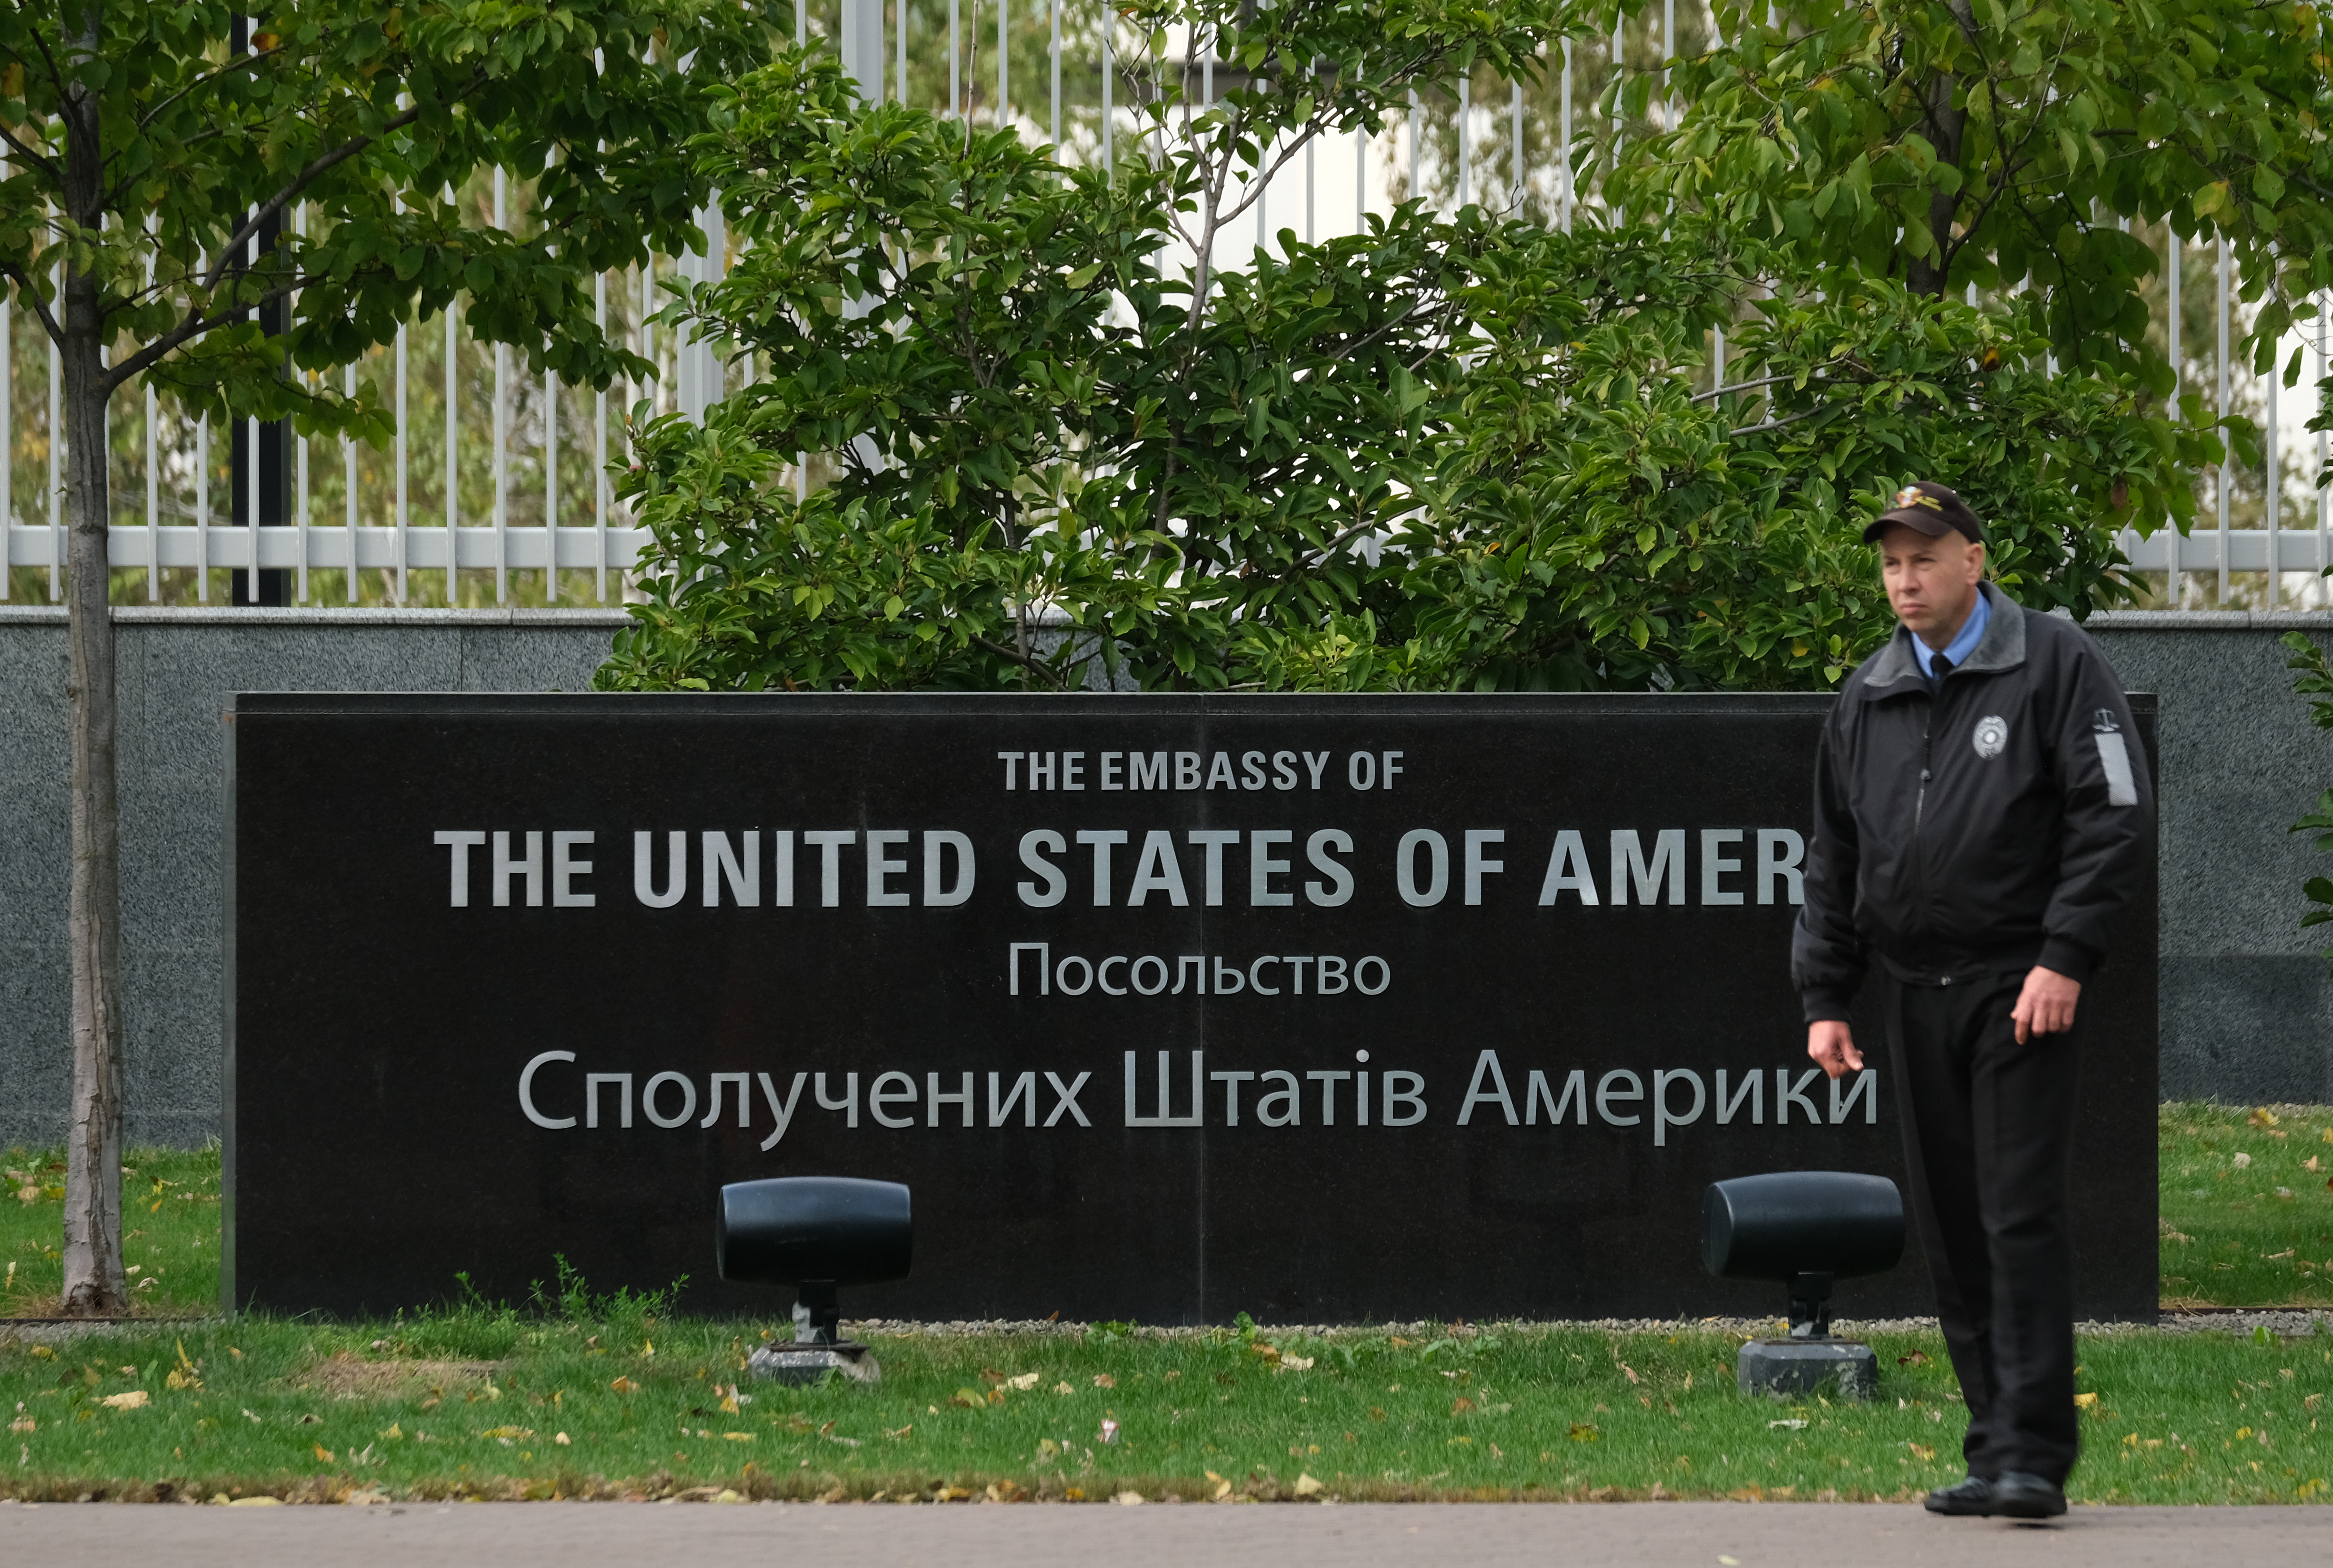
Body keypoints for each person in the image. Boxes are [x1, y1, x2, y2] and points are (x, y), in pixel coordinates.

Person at [1791, 482, 2152, 1520]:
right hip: (1912, 991)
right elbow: (1834, 854)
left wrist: (2064, 956)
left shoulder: (2052, 662)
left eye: (1923, 559)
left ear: (1973, 561)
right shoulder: (1867, 693)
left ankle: (2034, 1454)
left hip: (2018, 987)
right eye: (1890, 564)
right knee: (1951, 1228)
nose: (1904, 581)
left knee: (2016, 1215)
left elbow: (2112, 816)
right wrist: (1826, 991)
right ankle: (1992, 1445)